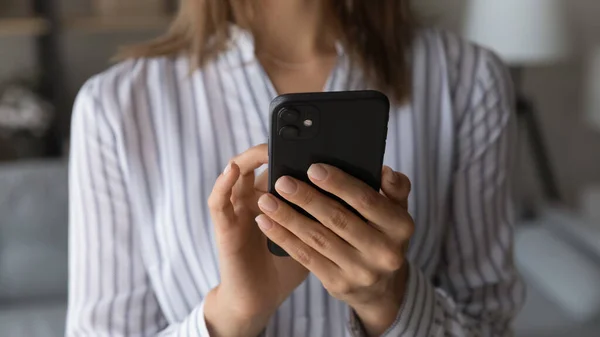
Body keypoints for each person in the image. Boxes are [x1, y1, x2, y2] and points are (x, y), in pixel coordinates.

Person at [66, 1, 525, 336]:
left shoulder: (466, 80)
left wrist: (389, 302)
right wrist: (233, 314)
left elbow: (488, 322)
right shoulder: (117, 106)